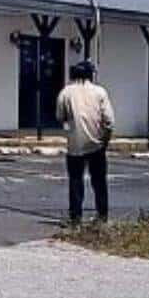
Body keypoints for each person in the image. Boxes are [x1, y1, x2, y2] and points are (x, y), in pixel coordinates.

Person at [56, 60, 115, 224]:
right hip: (97, 143)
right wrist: (105, 139)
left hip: (75, 144)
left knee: (76, 181)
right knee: (99, 182)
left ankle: (76, 217)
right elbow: (109, 121)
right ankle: (102, 216)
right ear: (90, 74)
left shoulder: (66, 92)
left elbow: (60, 116)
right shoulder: (100, 92)